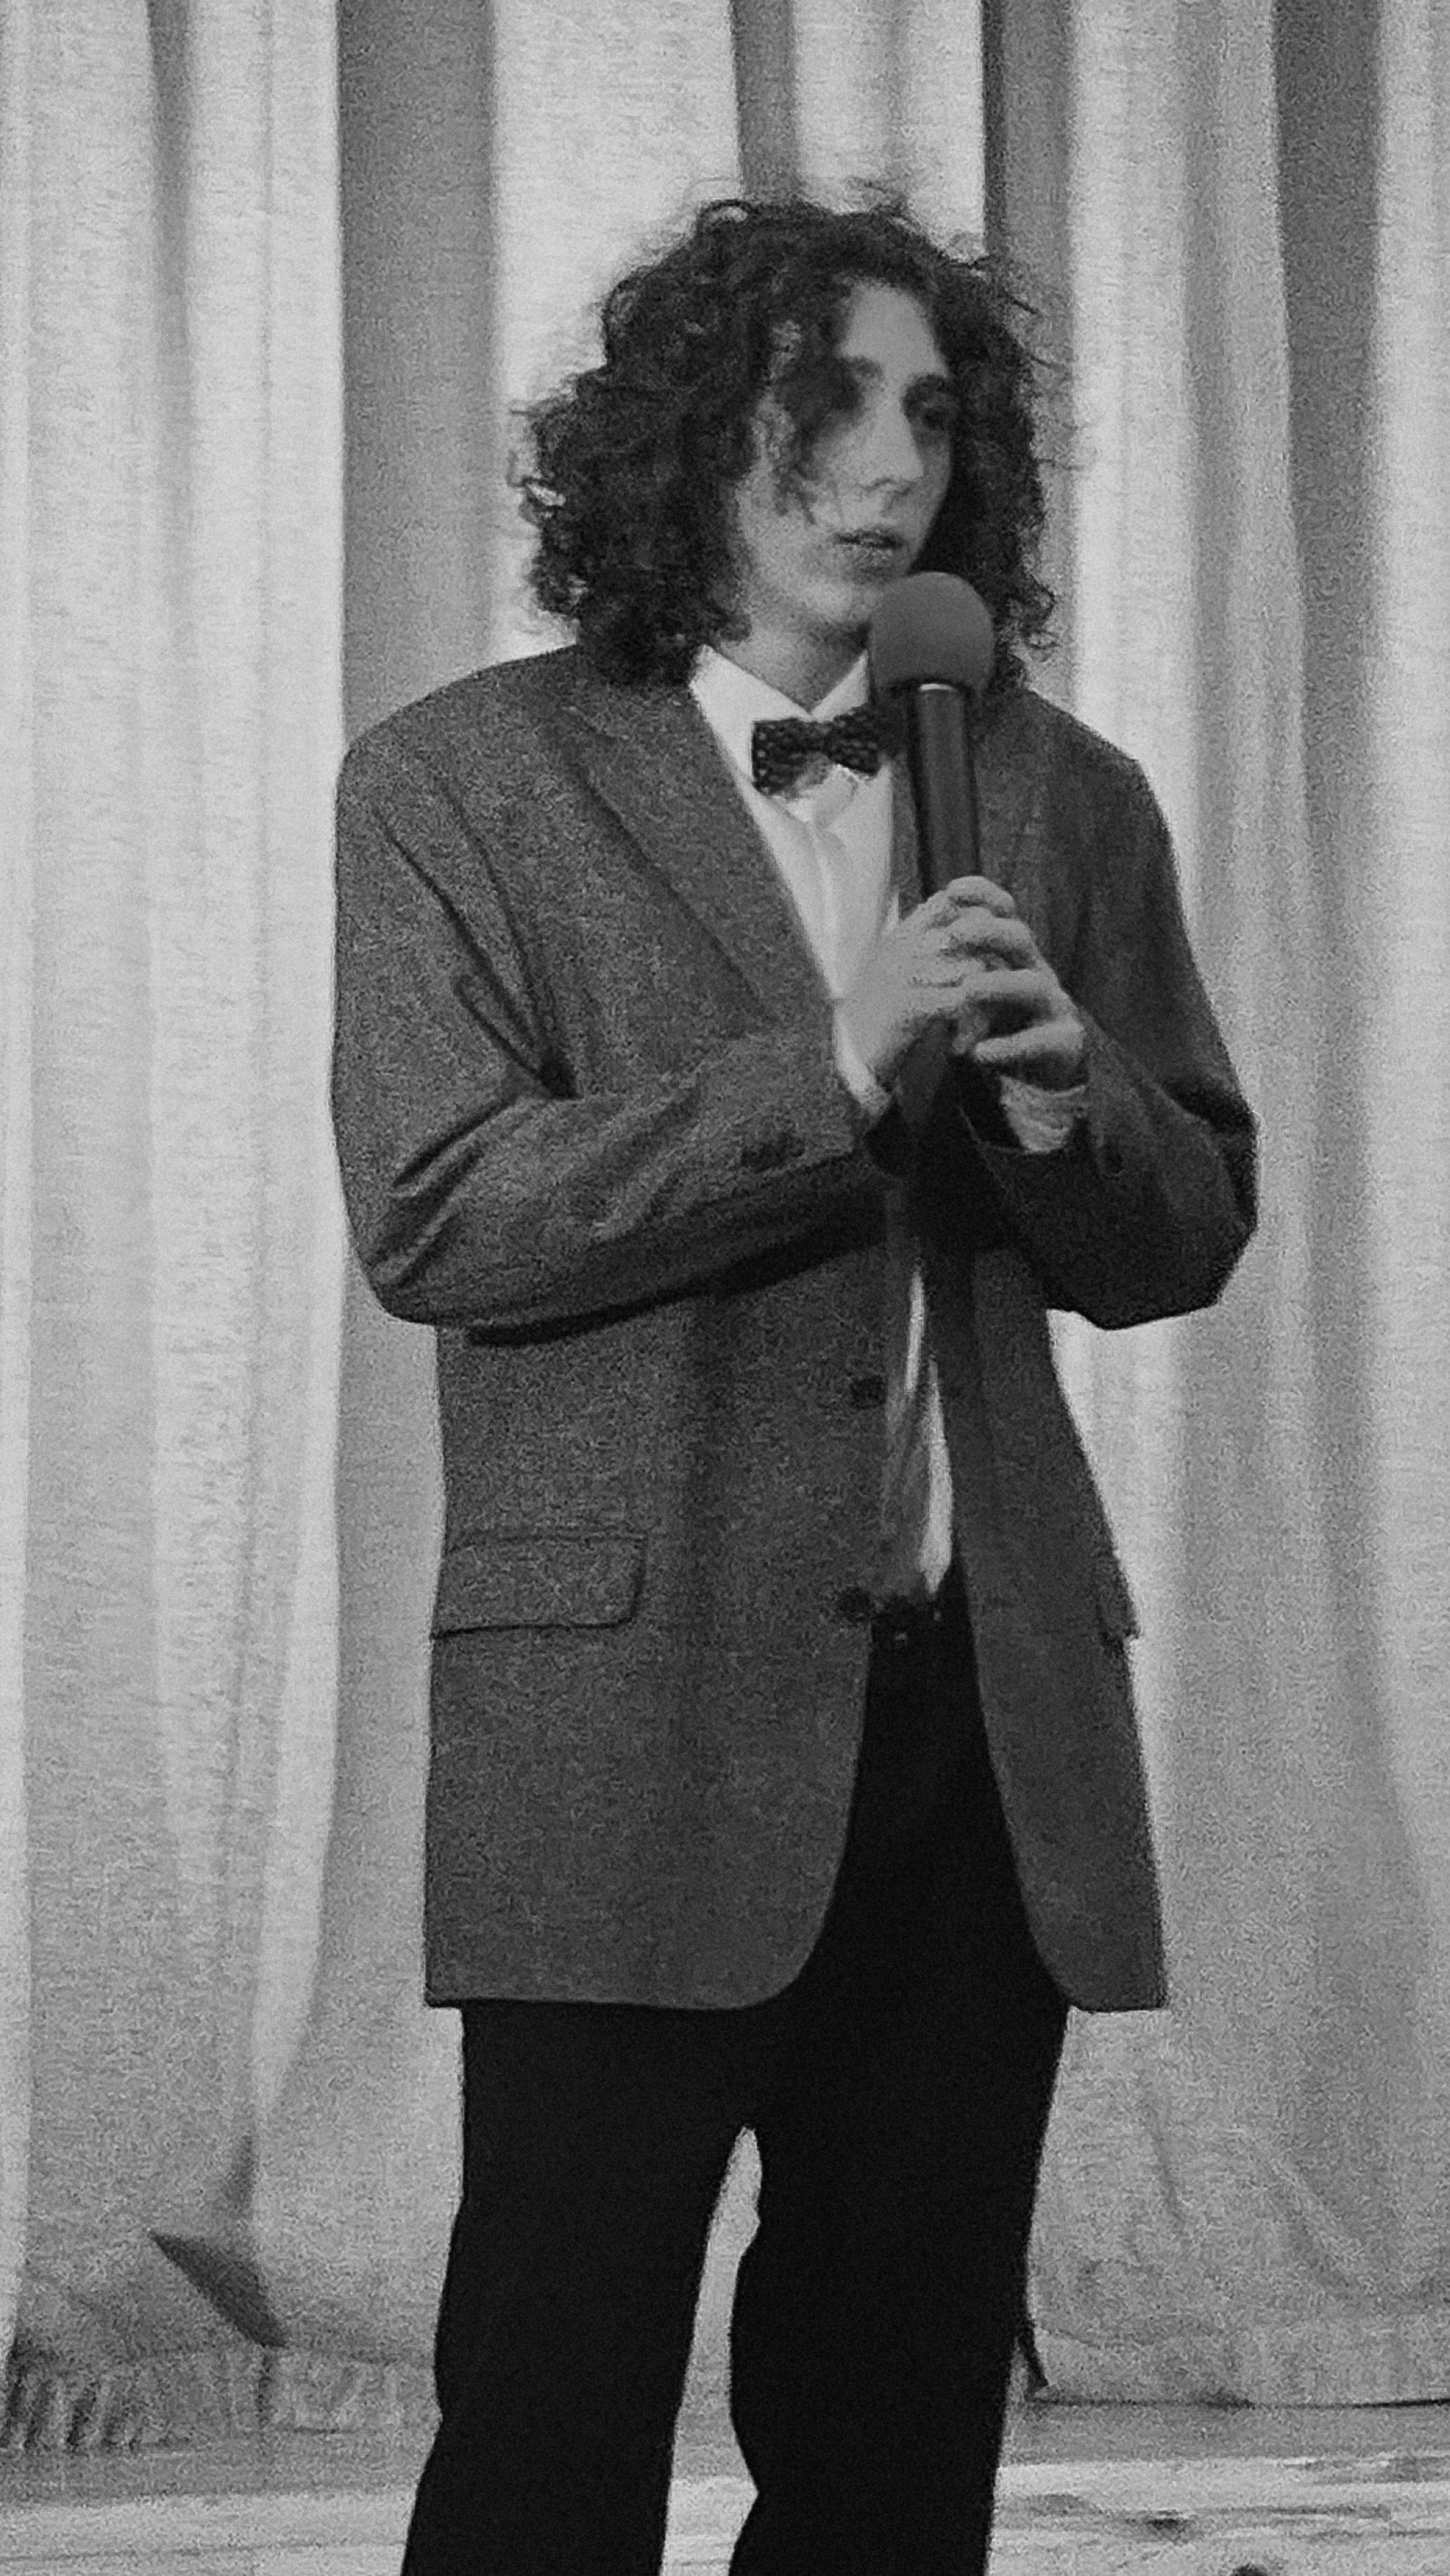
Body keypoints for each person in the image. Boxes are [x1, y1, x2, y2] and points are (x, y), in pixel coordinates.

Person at [331, 194, 1257, 2576]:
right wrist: (828, 1071)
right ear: (680, 443)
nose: (888, 466)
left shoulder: (1063, 789)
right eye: (819, 405)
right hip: (622, 1713)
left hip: (977, 1727)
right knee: (548, 2419)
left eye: (931, 413)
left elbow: (1182, 1237)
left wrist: (1064, 1105)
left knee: (895, 2435)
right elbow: (440, 1217)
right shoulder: (461, 779)